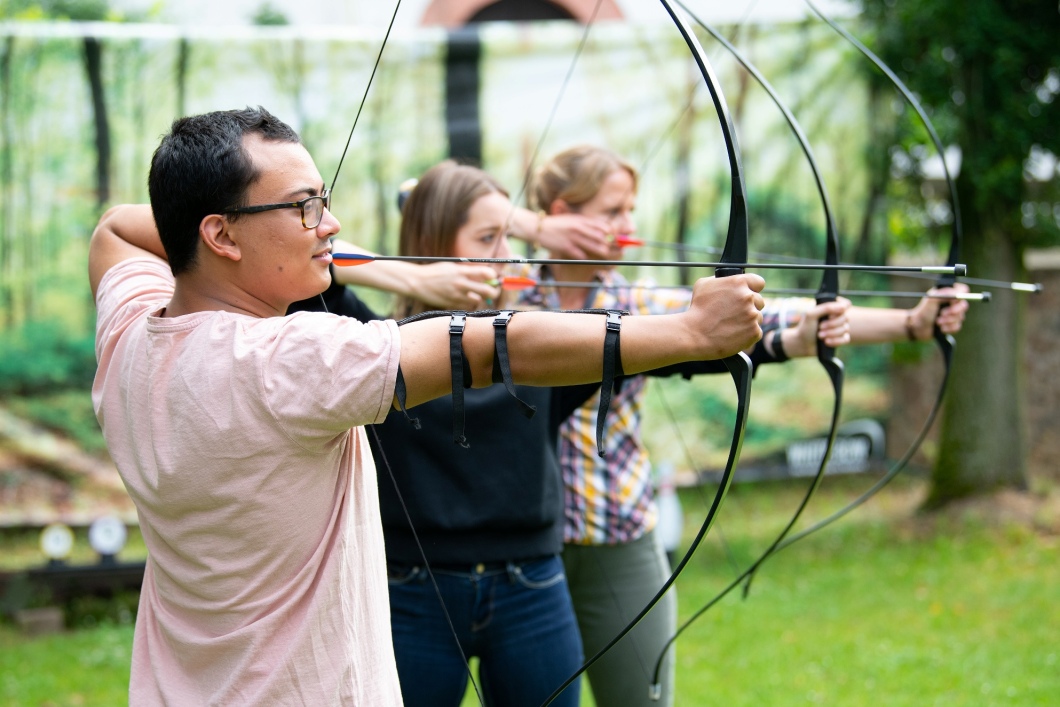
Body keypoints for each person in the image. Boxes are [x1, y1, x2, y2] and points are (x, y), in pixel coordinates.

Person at [87, 108, 766, 705]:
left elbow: (116, 227)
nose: (331, 225)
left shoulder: (129, 336)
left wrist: (388, 270)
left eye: (323, 200)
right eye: (304, 208)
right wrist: (692, 332)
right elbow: (492, 346)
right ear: (222, 235)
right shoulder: (285, 361)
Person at [523, 144, 970, 707]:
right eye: (613, 211)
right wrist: (531, 229)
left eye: (631, 210)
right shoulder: (496, 295)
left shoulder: (634, 302)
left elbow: (779, 315)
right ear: (562, 213)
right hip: (520, 548)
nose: (629, 226)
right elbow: (431, 207)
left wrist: (911, 323)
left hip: (616, 533)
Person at [291, 161, 599, 707]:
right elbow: (304, 261)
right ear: (433, 247)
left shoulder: (535, 345)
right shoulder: (373, 347)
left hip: (531, 587)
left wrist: (763, 336)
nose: (508, 254)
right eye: (488, 238)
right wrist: (414, 278)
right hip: (412, 590)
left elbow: (666, 341)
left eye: (510, 236)